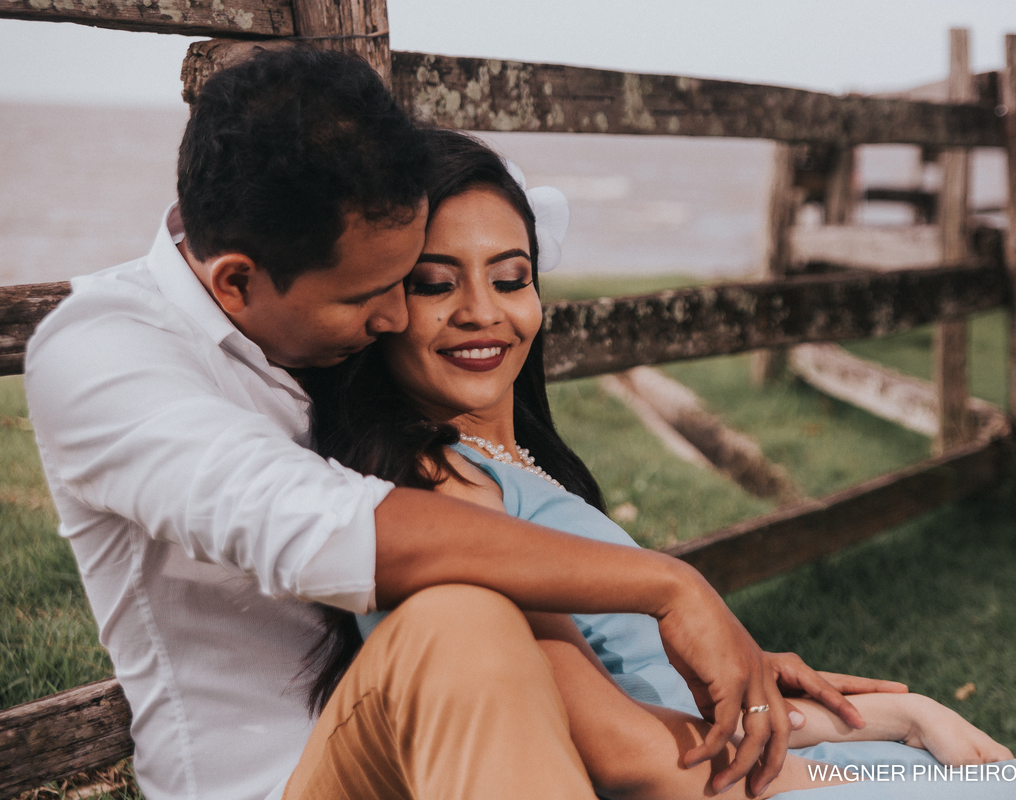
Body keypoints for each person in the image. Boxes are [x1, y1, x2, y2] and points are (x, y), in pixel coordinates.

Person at [24, 46, 879, 800]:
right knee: (456, 615)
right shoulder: (104, 355)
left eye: (409, 280)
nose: (399, 317)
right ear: (237, 283)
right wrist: (668, 587)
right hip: (287, 782)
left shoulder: (320, 330)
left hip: (472, 747)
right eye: (373, 295)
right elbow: (324, 529)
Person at [304, 128, 1016, 798]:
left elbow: (665, 689)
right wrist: (869, 783)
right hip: (748, 788)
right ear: (382, 306)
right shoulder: (446, 494)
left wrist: (904, 713)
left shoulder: (518, 468)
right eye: (435, 283)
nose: (482, 312)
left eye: (508, 277)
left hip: (774, 757)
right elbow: (625, 755)